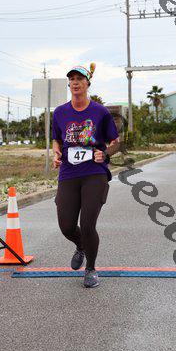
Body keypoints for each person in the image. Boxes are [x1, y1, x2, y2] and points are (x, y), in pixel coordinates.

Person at [52, 63, 120, 288]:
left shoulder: (100, 112)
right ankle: (81, 246)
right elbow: (57, 139)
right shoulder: (60, 112)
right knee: (66, 226)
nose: (75, 82)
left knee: (88, 224)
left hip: (94, 173)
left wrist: (105, 153)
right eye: (71, 79)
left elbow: (115, 142)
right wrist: (56, 153)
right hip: (68, 173)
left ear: (87, 83)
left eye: (79, 79)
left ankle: (90, 268)